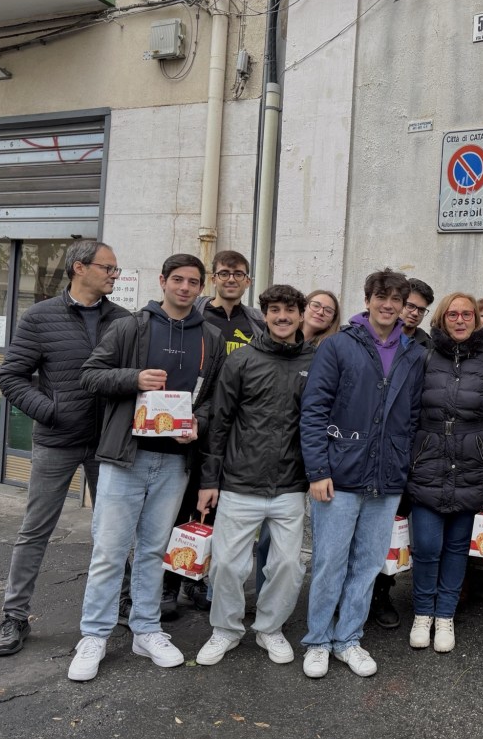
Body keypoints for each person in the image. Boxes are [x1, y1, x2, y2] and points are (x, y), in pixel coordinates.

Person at [67, 254, 225, 682]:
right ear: (163, 281)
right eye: (178, 279)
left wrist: (197, 425)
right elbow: (90, 376)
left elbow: (210, 402)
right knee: (109, 551)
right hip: (125, 456)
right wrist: (134, 379)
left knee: (154, 552)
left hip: (175, 463)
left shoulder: (210, 336)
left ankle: (145, 629)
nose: (186, 288)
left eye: (194, 281)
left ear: (200, 286)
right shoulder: (132, 327)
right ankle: (94, 636)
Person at [0, 241, 129, 657]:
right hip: (56, 442)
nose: (113, 275)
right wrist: (51, 413)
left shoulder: (123, 319)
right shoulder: (40, 317)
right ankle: (15, 616)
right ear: (79, 268)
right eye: (108, 268)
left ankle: (120, 600)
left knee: (116, 530)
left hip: (106, 443)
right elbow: (12, 376)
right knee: (35, 531)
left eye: (116, 270)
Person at [300, 268, 425, 679]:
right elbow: (314, 410)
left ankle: (348, 639)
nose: (388, 305)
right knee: (329, 562)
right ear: (368, 299)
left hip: (387, 478)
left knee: (368, 564)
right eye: (381, 297)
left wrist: (402, 464)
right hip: (339, 474)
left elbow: (414, 416)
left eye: (397, 300)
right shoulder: (338, 346)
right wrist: (318, 470)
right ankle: (317, 640)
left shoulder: (413, 354)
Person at [195, 285, 314, 667]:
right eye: (275, 310)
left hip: (291, 484)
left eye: (290, 310)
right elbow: (219, 424)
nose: (282, 317)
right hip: (240, 481)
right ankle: (226, 630)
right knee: (228, 564)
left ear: (300, 315)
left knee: (287, 565)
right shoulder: (242, 360)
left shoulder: (315, 361)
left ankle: (269, 628)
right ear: (265, 315)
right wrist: (209, 480)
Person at [405, 293, 483, 653]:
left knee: (455, 548)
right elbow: (406, 416)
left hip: (471, 464)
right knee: (426, 546)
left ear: (477, 320)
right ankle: (423, 613)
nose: (461, 320)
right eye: (453, 314)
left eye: (468, 314)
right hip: (428, 462)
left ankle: (445, 615)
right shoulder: (423, 359)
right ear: (441, 318)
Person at [162, 250, 265, 617]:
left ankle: (197, 581)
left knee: (215, 511)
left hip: (233, 429)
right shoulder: (196, 316)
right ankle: (168, 586)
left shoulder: (257, 324)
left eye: (239, 274)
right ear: (214, 278)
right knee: (179, 510)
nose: (231, 279)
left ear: (248, 281)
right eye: (224, 273)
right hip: (193, 424)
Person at [368, 277, 436, 629]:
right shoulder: (367, 335)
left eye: (420, 310)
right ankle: (352, 595)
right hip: (366, 450)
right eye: (409, 305)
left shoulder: (426, 348)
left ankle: (381, 593)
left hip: (405, 449)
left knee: (391, 529)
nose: (412, 313)